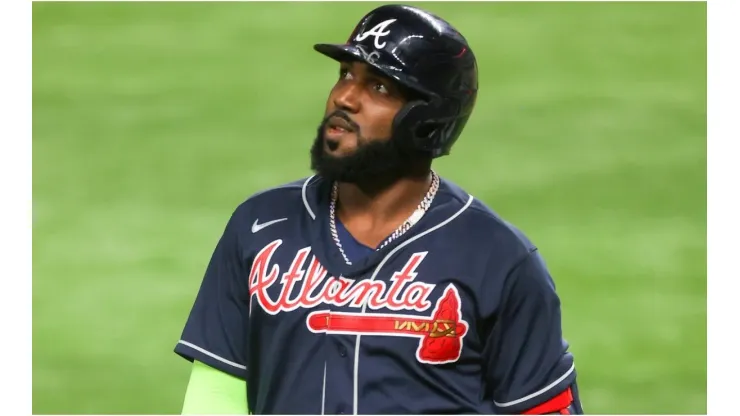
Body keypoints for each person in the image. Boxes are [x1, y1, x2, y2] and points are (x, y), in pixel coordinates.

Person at [175, 4, 583, 415]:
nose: (345, 97)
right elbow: (216, 395)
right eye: (345, 75)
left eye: (379, 88)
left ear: (426, 119)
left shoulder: (498, 259)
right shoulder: (262, 226)